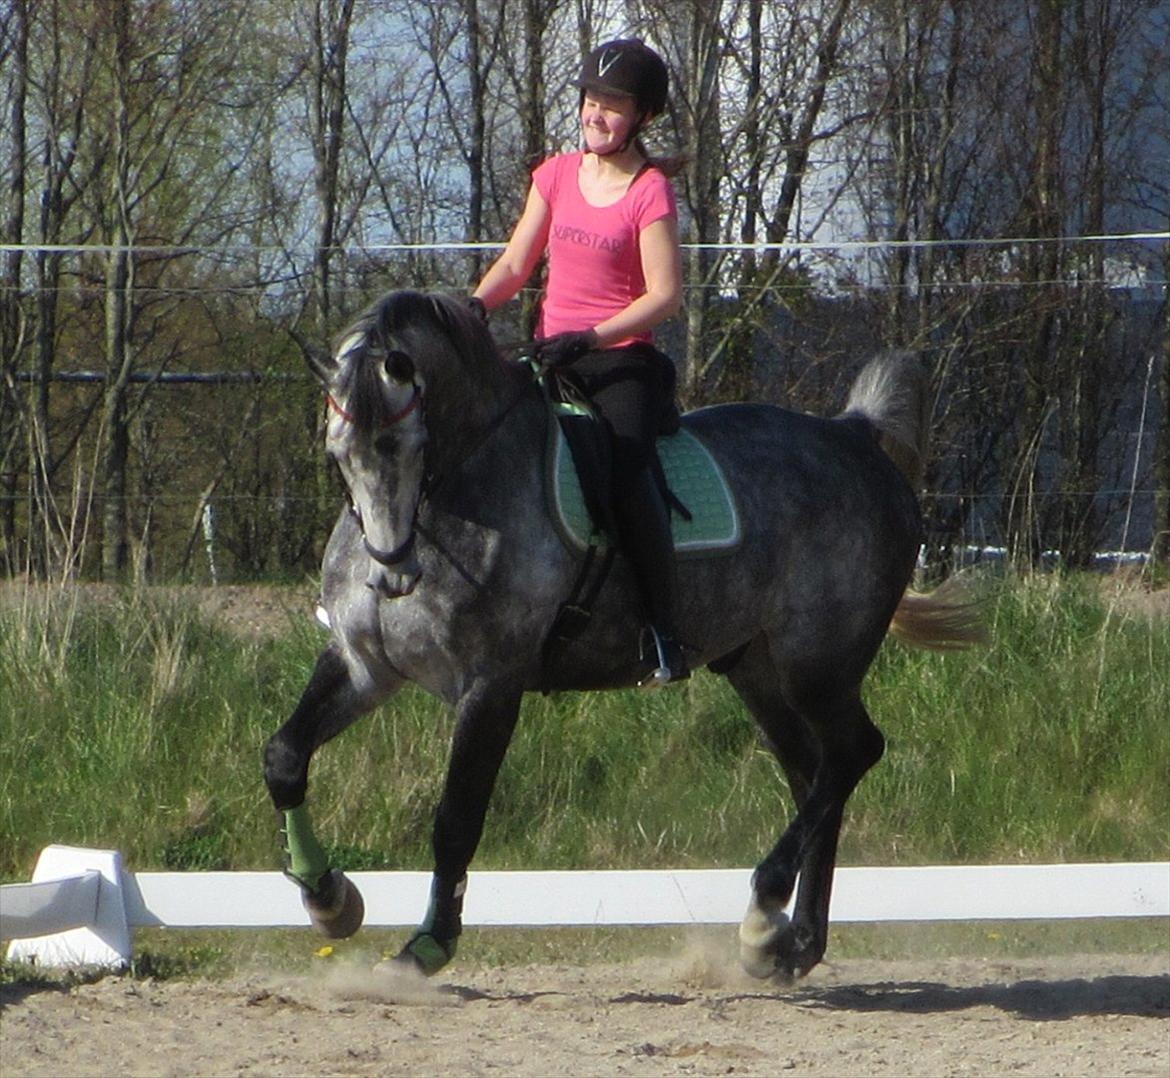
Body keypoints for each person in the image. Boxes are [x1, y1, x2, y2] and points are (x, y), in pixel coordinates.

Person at [471, 38, 688, 686]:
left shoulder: (649, 191)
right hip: (550, 356)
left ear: (643, 117)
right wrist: (468, 310)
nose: (596, 114)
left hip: (618, 362)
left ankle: (662, 629)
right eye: (591, 100)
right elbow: (515, 265)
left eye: (613, 105)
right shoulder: (556, 175)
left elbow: (665, 296)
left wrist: (590, 337)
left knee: (623, 469)